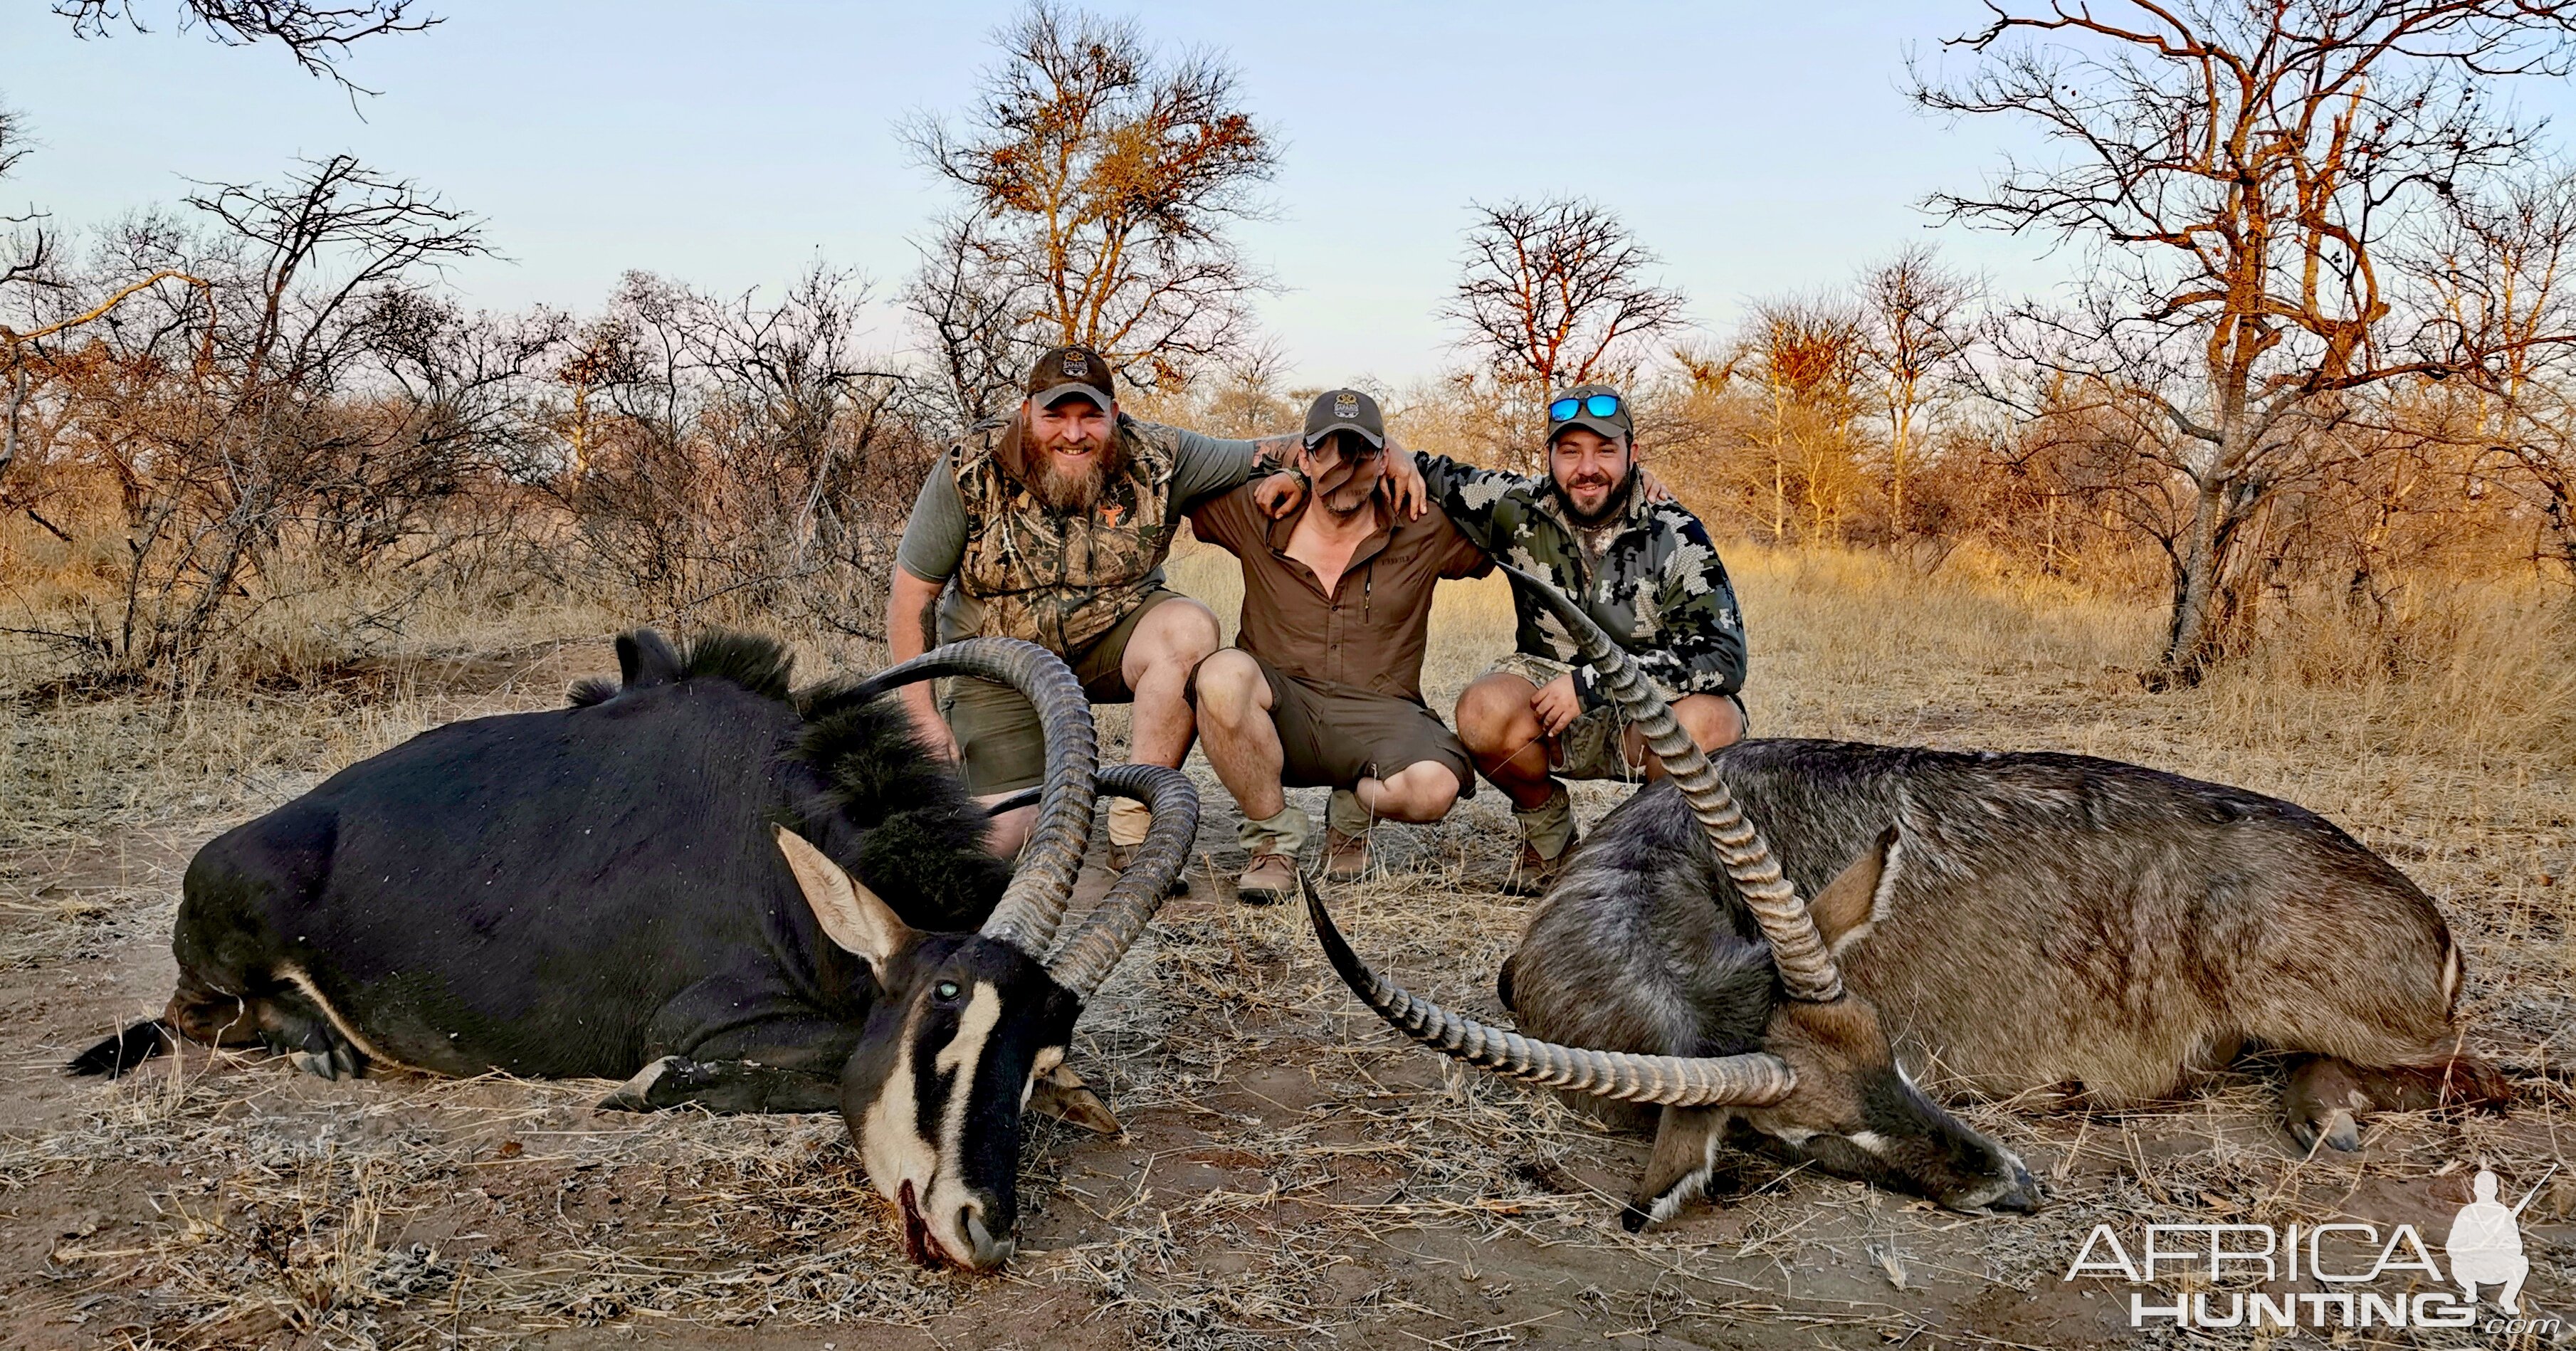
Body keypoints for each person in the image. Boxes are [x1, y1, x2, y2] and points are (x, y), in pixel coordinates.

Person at [888, 344, 1425, 868]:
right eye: (1056, 415)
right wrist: (920, 716)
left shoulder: (1161, 454)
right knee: (1008, 835)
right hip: (1003, 665)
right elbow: (913, 593)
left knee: (1188, 626)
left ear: (1114, 415)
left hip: (1115, 640)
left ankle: (1132, 831)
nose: (1074, 434)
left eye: (1090, 416)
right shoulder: (969, 464)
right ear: (1027, 413)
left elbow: (1283, 447)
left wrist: (1390, 452)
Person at [1419, 384, 1749, 895]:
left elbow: (1722, 656)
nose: (1586, 468)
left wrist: (1592, 684)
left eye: (1605, 451)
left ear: (1632, 455)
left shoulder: (1676, 530)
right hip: (1547, 701)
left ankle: (1658, 856)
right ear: (1548, 456)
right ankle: (1548, 836)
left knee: (1711, 722)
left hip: (1645, 711)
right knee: (1482, 710)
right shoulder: (1515, 505)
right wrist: (1288, 455)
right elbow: (1421, 470)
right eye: (1569, 451)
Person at [1186, 389, 1493, 903]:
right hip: (1282, 707)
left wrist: (1642, 488)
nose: (1343, 466)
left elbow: (1512, 522)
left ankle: (1351, 814)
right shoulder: (1257, 510)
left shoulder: (1423, 524)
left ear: (1384, 462)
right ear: (1303, 456)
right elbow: (1184, 473)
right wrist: (1275, 473)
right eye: (1327, 450)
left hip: (1382, 713)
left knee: (1433, 790)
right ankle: (1272, 843)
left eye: (1362, 452)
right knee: (1220, 676)